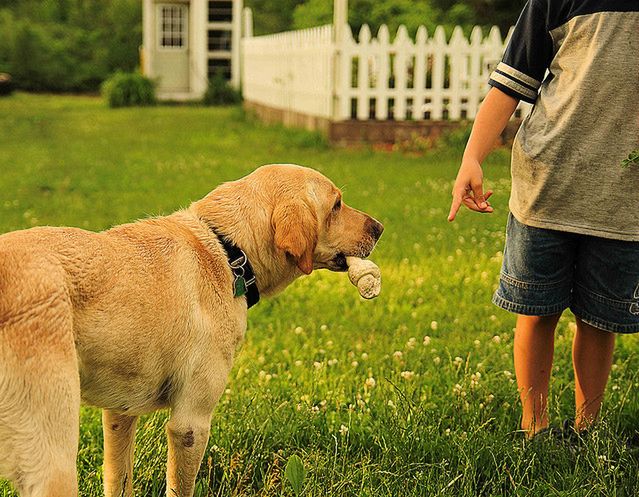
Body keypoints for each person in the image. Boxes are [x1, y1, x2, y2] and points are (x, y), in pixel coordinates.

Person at [448, 0, 639, 438]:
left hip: (621, 198)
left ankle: (586, 429)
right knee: (536, 311)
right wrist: (472, 157)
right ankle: (534, 426)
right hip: (547, 187)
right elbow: (508, 85)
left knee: (599, 319)